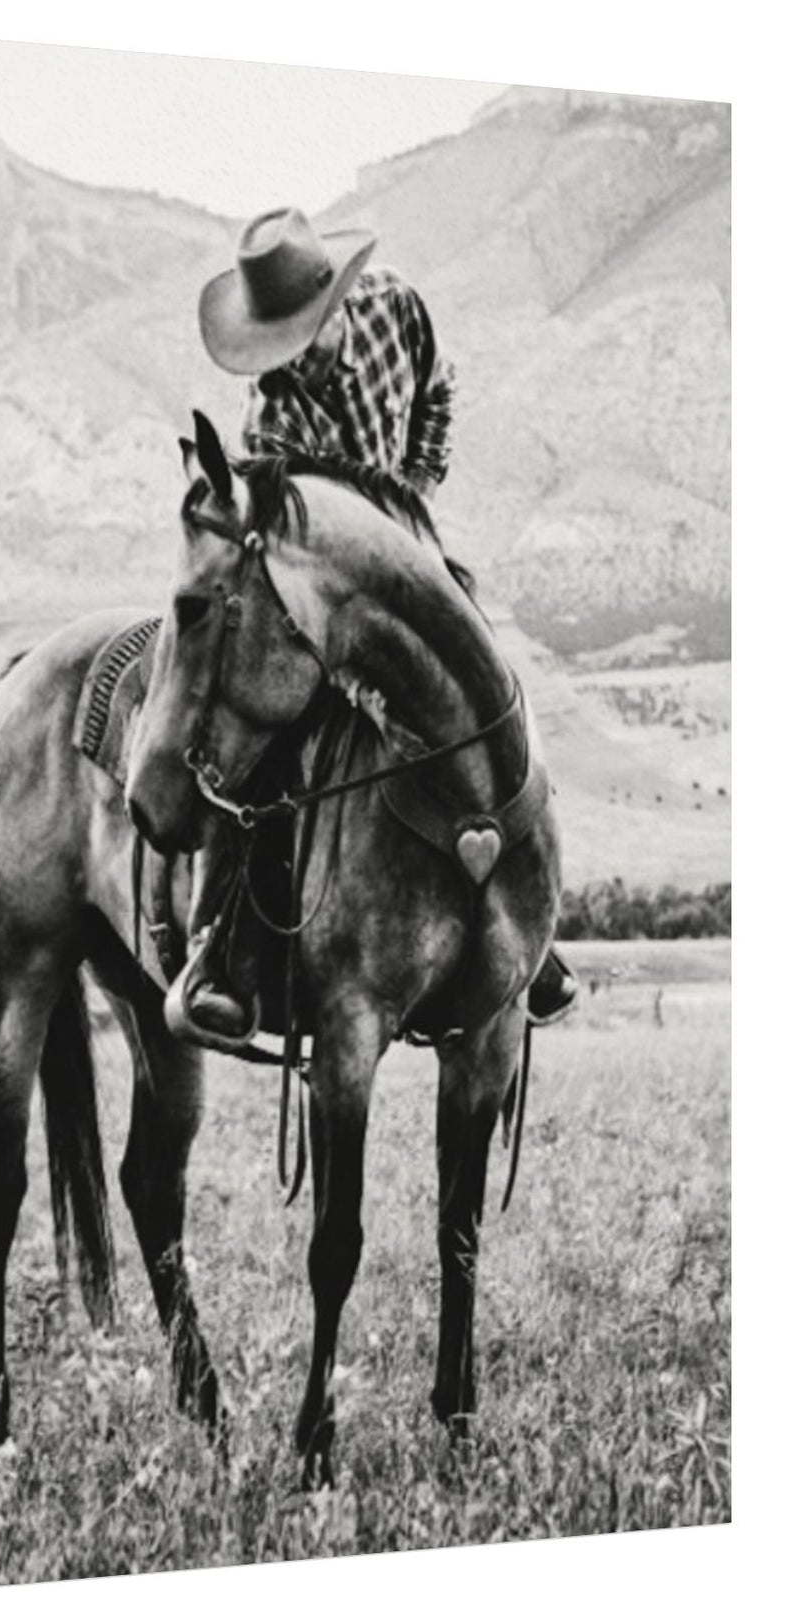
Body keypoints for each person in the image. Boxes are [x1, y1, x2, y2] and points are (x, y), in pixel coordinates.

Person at [177, 206, 576, 1044]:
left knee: (497, 700)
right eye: (276, 347)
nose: (293, 360)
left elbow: (437, 395)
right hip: (329, 603)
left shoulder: (397, 310)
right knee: (270, 751)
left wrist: (414, 495)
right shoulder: (268, 417)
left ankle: (534, 935)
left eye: (301, 339)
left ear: (335, 305)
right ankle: (223, 948)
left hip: (419, 566)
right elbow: (283, 541)